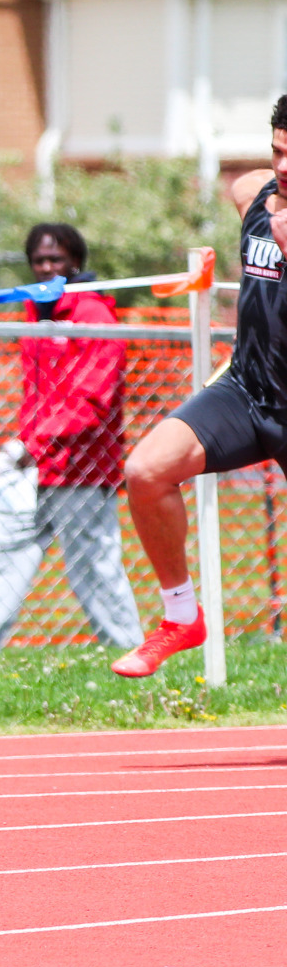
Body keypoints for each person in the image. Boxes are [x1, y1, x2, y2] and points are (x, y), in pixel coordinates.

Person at [118, 97, 287, 677]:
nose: (284, 167)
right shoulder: (258, 203)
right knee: (145, 471)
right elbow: (244, 184)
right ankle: (181, 617)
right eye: (279, 151)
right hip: (247, 391)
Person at [0, 224, 142, 653]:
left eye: (55, 260)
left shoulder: (94, 315)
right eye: (39, 261)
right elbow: (37, 395)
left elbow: (92, 402)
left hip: (82, 471)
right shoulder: (35, 311)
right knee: (0, 555)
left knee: (93, 569)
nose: (46, 268)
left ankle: (131, 654)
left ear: (74, 262)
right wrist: (23, 448)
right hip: (33, 468)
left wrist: (29, 446)